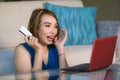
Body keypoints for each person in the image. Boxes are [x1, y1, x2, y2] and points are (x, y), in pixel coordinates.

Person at [14, 8, 68, 74]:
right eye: (47, 26)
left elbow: (66, 77)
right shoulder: (21, 50)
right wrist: (38, 51)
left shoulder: (55, 48)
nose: (53, 31)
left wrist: (60, 47)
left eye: (55, 26)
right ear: (36, 27)